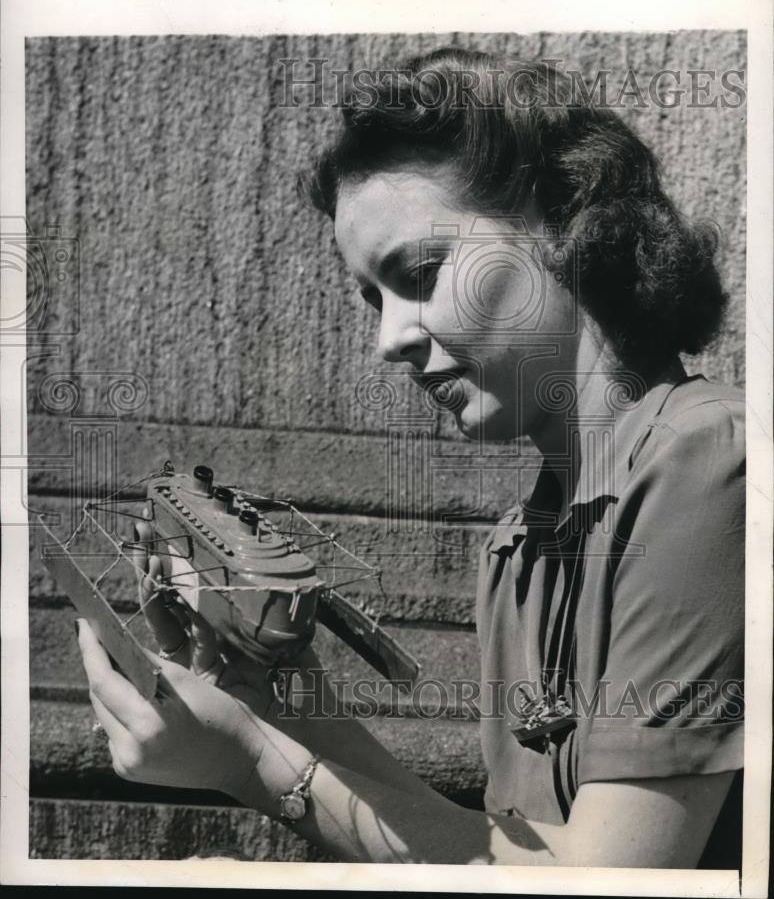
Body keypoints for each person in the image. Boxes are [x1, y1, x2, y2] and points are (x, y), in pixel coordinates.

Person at [76, 48, 745, 867]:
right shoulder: (519, 544)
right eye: (372, 297)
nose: (389, 339)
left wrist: (253, 761)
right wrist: (279, 708)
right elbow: (509, 858)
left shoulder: (712, 462)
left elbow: (607, 885)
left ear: (566, 224)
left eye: (422, 273)